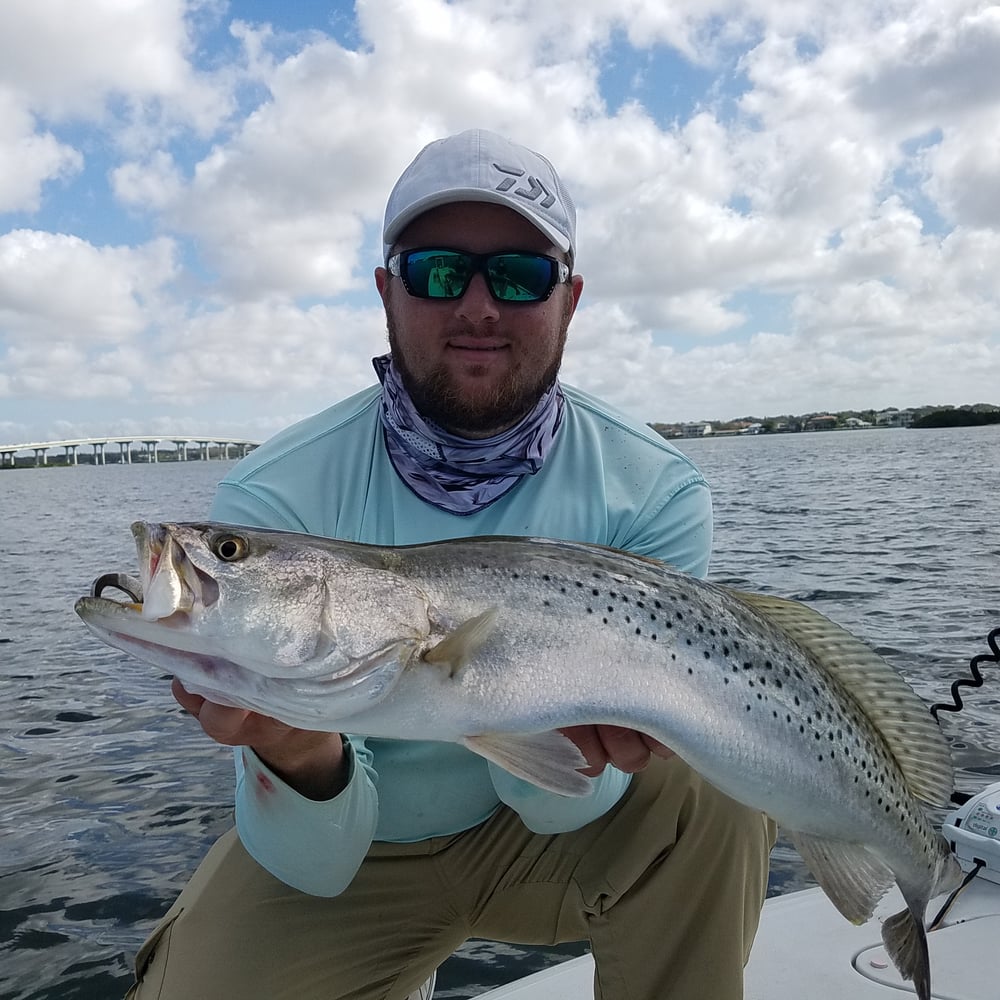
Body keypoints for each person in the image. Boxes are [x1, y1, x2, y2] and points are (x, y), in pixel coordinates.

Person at [127, 128, 775, 1000]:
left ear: (570, 300)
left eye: (519, 275)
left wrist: (579, 751)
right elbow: (314, 862)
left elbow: (557, 800)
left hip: (561, 840)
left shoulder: (653, 489)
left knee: (718, 775)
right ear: (387, 292)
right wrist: (297, 748)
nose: (478, 307)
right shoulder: (275, 491)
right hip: (357, 861)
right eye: (438, 271)